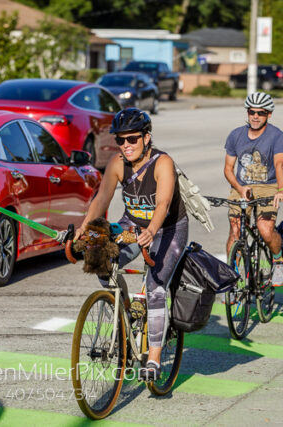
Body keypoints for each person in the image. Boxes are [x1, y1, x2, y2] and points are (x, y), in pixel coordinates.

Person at [74, 108, 188, 381]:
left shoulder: (163, 163)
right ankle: (126, 309)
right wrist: (86, 226)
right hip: (132, 223)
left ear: (146, 138)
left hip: (168, 228)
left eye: (132, 139)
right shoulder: (117, 163)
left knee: (155, 287)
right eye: (121, 140)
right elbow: (101, 200)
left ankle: (154, 359)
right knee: (102, 265)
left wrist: (151, 230)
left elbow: (163, 204)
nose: (126, 146)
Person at [223, 92, 283, 286]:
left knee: (264, 228)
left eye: (260, 113)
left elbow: (280, 165)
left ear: (268, 114)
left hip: (268, 186)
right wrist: (239, 187)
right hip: (242, 185)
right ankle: (232, 278)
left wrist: (282, 189)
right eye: (252, 111)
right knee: (235, 229)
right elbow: (228, 169)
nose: (255, 116)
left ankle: (278, 261)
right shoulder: (236, 135)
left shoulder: (276, 135)